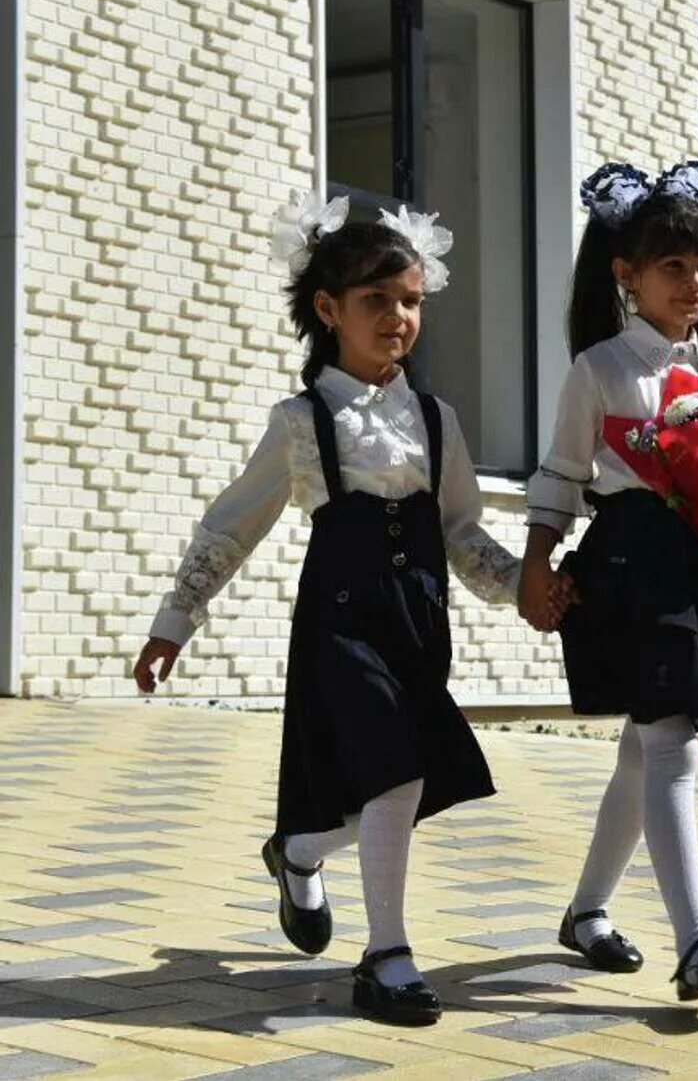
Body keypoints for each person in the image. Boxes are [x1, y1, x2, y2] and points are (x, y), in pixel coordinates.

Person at [132, 194, 548, 1025]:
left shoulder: (437, 419)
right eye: (377, 300)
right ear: (329, 309)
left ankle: (298, 850)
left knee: (402, 783)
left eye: (411, 301)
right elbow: (231, 525)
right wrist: (173, 623)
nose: (398, 317)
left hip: (419, 622)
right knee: (398, 774)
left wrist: (525, 588)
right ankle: (388, 953)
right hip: (342, 620)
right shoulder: (301, 421)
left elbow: (463, 531)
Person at [521, 160, 698, 1003]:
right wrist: (535, 565)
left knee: (644, 752)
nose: (694, 281)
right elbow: (560, 477)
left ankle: (587, 912)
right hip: (630, 571)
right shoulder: (598, 369)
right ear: (625, 274)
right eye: (672, 265)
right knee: (669, 741)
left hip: (697, 572)